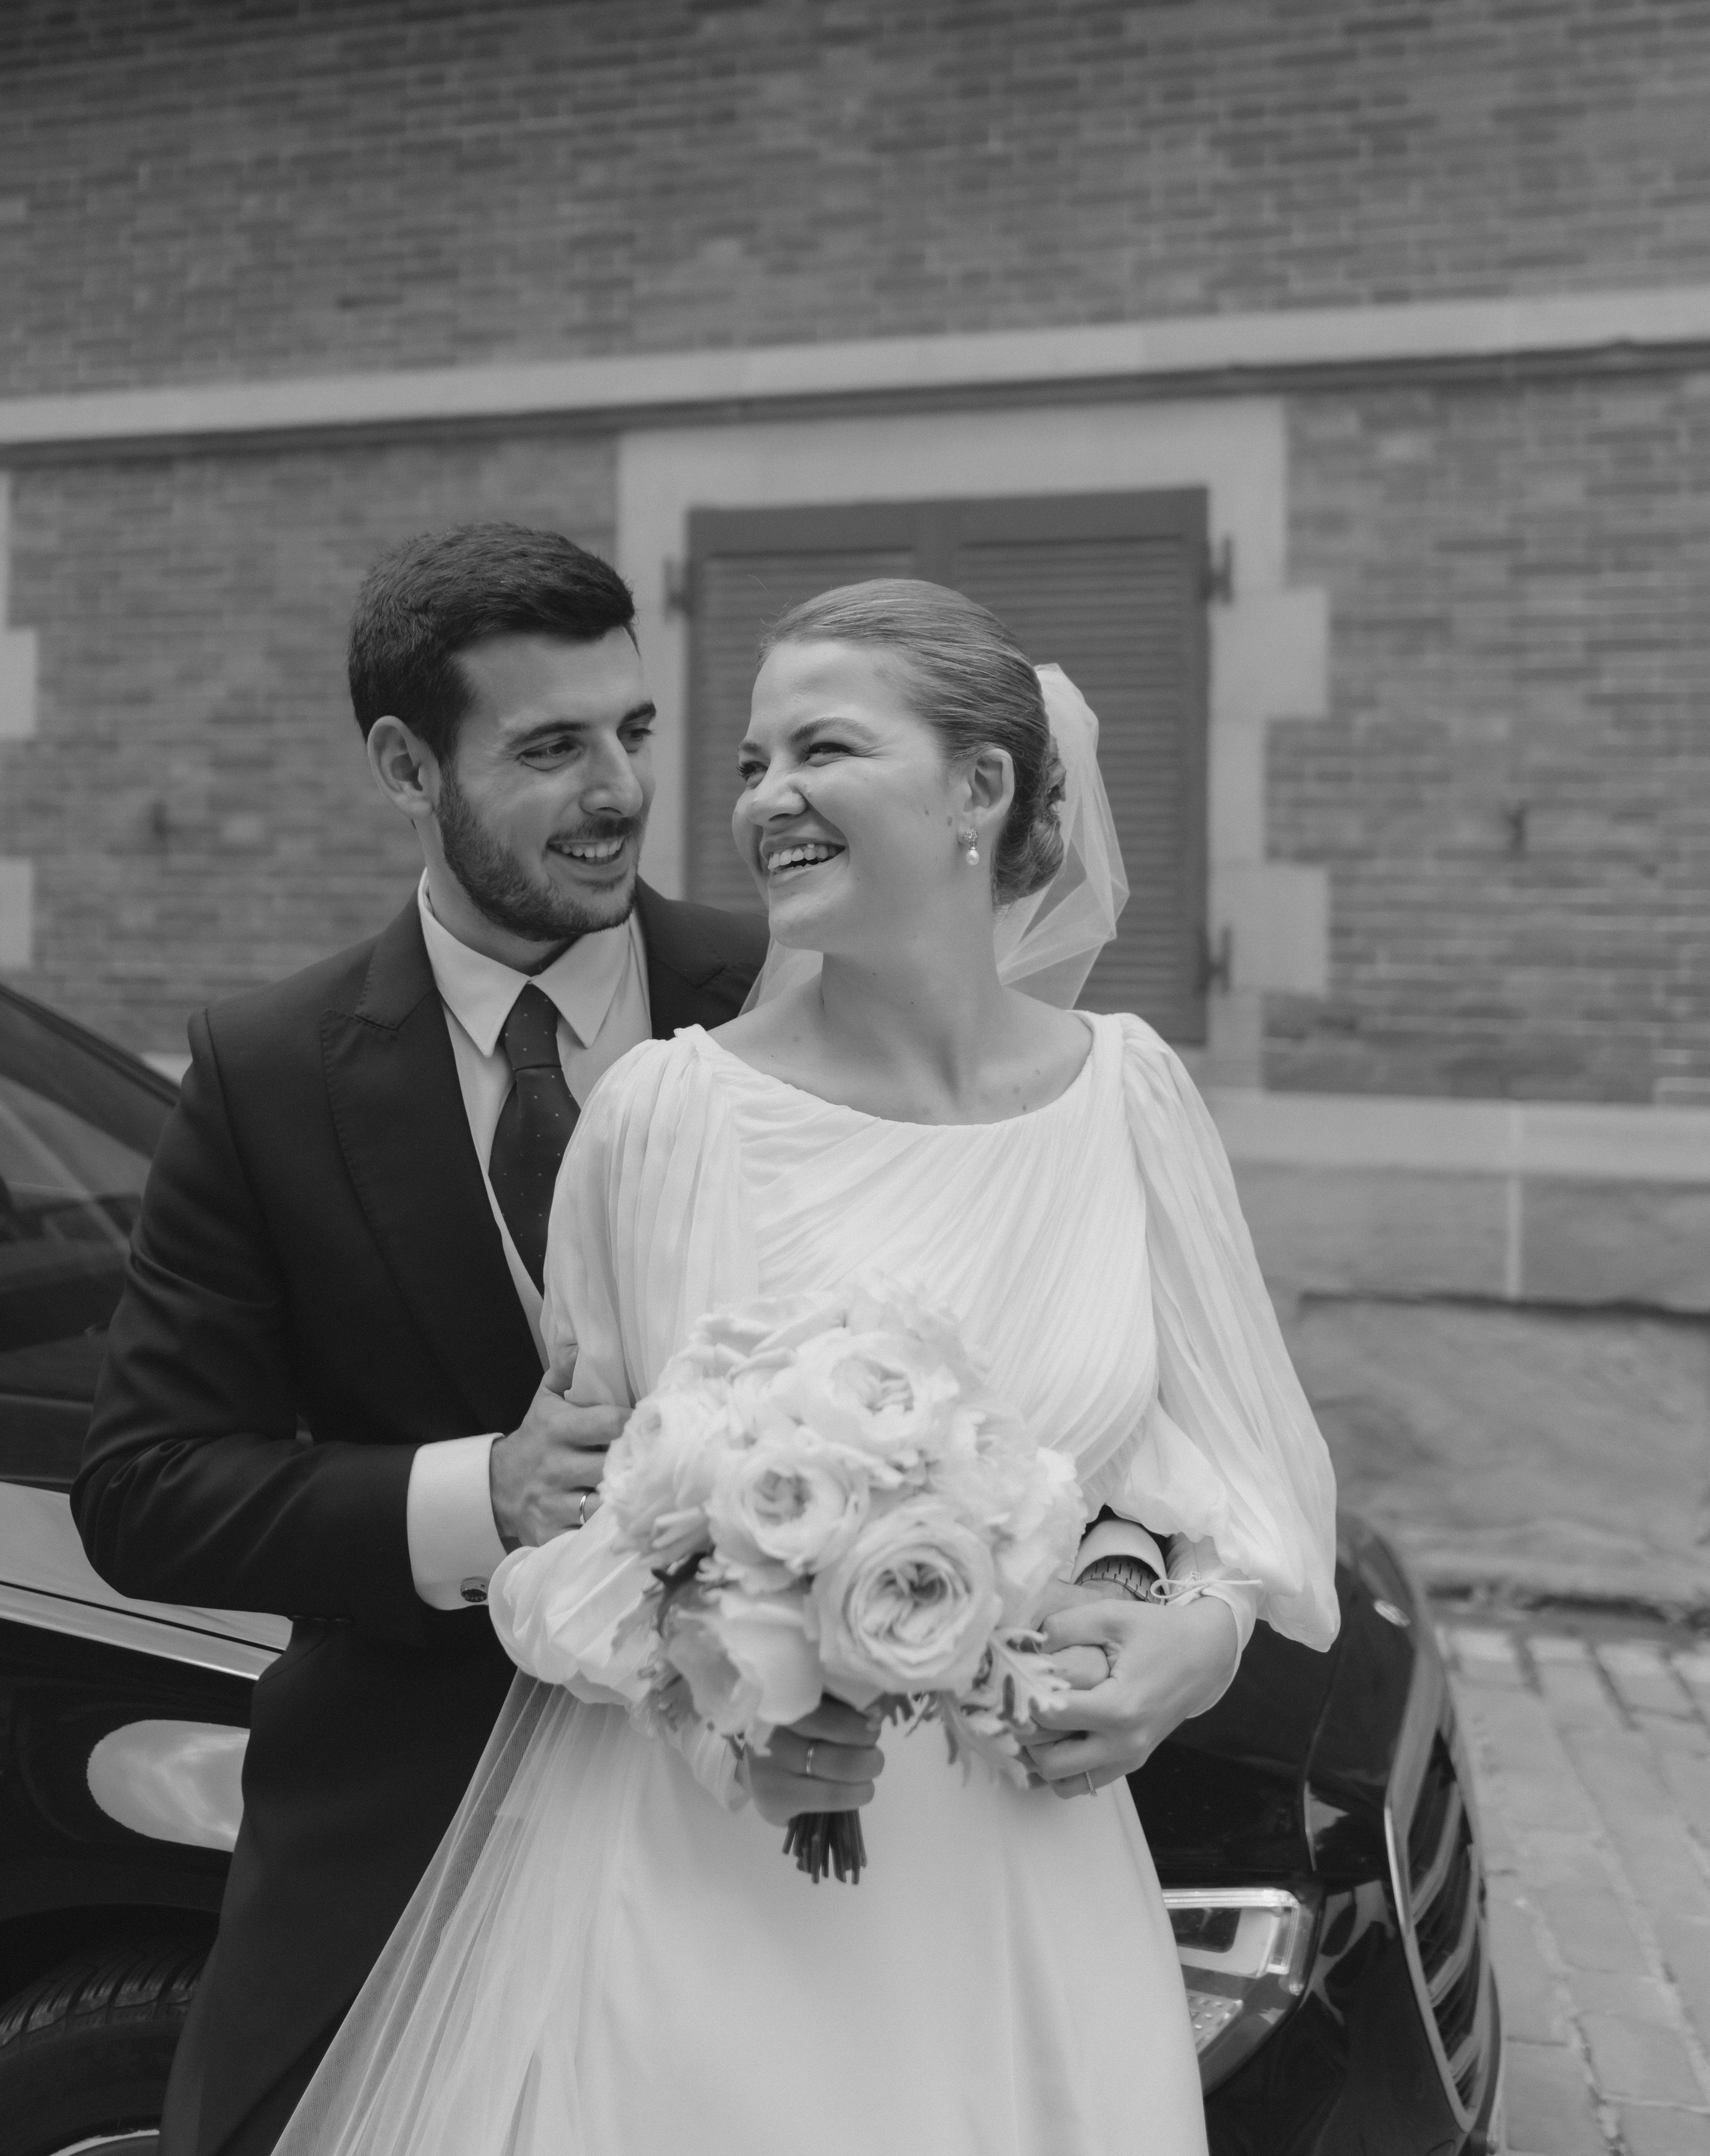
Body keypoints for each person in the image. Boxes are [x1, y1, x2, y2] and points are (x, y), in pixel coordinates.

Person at [274, 576, 1340, 2156]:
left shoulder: (1130, 1099)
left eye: (821, 751)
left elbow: (1230, 1474)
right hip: (709, 1912)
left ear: (979, 787)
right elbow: (573, 1548)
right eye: (754, 761)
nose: (763, 798)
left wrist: (1191, 1641)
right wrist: (730, 1715)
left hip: (1024, 1895)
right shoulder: (666, 1116)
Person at [71, 523, 767, 2156]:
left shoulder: (781, 1002)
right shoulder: (265, 1071)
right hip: (398, 1836)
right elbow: (145, 1486)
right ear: (405, 764)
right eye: (547, 749)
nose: (616, 791)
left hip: (750, 1841)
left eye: (633, 732)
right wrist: (483, 1495)